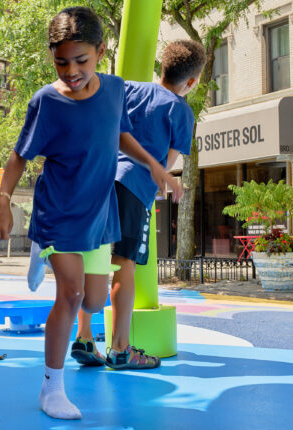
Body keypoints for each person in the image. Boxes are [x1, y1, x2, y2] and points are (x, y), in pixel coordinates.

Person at [0, 7, 181, 420]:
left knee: (94, 301)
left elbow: (121, 133)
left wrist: (154, 164)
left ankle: (52, 262)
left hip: (99, 213)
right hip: (58, 211)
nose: (71, 70)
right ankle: (52, 388)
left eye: (81, 60)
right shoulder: (47, 101)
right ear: (51, 56)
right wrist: (3, 202)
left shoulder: (114, 90)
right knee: (72, 293)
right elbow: (19, 156)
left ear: (100, 51)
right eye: (61, 61)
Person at [73, 40, 205, 370]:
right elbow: (167, 163)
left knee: (92, 260)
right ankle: (120, 348)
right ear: (190, 82)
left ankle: (85, 337)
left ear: (163, 67)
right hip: (131, 186)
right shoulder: (181, 111)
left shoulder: (128, 88)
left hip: (95, 178)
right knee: (123, 265)